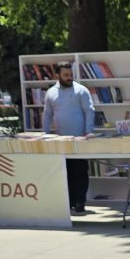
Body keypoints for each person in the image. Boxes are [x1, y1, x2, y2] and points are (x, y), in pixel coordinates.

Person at [41, 62, 96, 212]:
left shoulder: (81, 90)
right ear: (57, 75)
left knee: (80, 171)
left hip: (79, 139)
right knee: (66, 172)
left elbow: (89, 111)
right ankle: (69, 201)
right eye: (65, 75)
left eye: (70, 75)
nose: (69, 77)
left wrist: (88, 132)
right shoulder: (51, 93)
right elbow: (47, 114)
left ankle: (80, 202)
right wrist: (44, 134)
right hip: (60, 140)